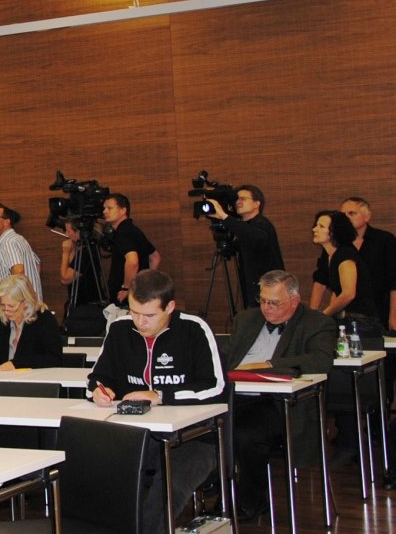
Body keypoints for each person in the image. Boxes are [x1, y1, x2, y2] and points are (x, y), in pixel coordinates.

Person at [87, 270, 224, 532]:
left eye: (149, 315)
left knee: (166, 488)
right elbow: (97, 377)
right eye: (134, 312)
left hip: (195, 438)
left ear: (170, 307)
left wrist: (161, 395)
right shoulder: (119, 329)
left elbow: (215, 387)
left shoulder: (194, 329)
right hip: (136, 435)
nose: (140, 321)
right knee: (96, 470)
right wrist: (98, 390)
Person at [220, 270, 335, 523]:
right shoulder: (246, 319)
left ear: (294, 300)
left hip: (279, 404)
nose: (267, 308)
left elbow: (321, 360)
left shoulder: (317, 323)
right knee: (204, 426)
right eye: (262, 300)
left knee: (243, 434)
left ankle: (251, 501)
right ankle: (218, 492)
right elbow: (224, 355)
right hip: (235, 396)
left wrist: (268, 365)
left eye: (274, 303)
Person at [206, 185, 284, 308]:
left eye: (243, 198)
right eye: (237, 199)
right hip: (253, 293)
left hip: (270, 293)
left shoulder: (262, 224)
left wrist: (224, 217)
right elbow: (231, 248)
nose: (238, 202)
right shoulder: (244, 228)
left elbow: (255, 238)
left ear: (256, 204)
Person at [0, 275, 63, 370]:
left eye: (11, 306)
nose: (6, 311)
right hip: (4, 381)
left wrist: (17, 364)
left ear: (25, 302)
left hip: (34, 381)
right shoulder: (1, 320)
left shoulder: (44, 319)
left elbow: (55, 358)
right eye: (3, 305)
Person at [310, 210, 380, 320]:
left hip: (361, 321)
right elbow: (337, 292)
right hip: (348, 319)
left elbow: (348, 294)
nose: (315, 229)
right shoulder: (331, 256)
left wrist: (324, 316)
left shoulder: (345, 254)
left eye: (321, 226)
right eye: (316, 225)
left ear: (334, 232)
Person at [341, 197, 396, 331]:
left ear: (367, 217)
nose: (346, 218)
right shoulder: (339, 243)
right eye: (343, 215)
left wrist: (393, 315)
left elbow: (394, 280)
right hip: (348, 313)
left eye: (352, 213)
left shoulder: (385, 240)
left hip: (380, 309)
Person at [102, 194, 159, 307]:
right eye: (104, 208)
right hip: (139, 293)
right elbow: (155, 257)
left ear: (123, 210)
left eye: (110, 208)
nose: (104, 211)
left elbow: (132, 261)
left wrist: (127, 288)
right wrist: (145, 283)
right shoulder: (133, 230)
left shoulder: (123, 232)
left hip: (125, 298)